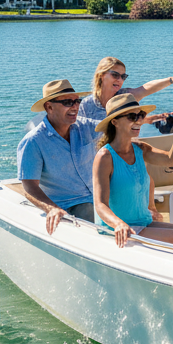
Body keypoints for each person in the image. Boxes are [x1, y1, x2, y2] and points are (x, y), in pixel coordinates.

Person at [92, 94, 173, 249]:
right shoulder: (105, 157)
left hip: (142, 222)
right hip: (117, 228)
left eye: (140, 115)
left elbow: (172, 160)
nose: (138, 121)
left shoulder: (139, 149)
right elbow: (100, 204)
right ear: (114, 121)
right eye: (132, 116)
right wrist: (119, 224)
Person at [17, 79, 103, 234]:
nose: (75, 106)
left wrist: (140, 119)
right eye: (67, 102)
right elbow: (29, 187)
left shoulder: (86, 126)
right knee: (95, 219)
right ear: (49, 107)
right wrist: (52, 209)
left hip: (99, 199)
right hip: (68, 206)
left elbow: (114, 129)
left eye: (77, 101)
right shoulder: (33, 142)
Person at [78, 56, 173, 122]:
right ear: (101, 75)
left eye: (123, 76)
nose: (120, 80)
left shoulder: (125, 97)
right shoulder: (86, 105)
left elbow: (147, 88)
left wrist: (172, 79)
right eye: (115, 75)